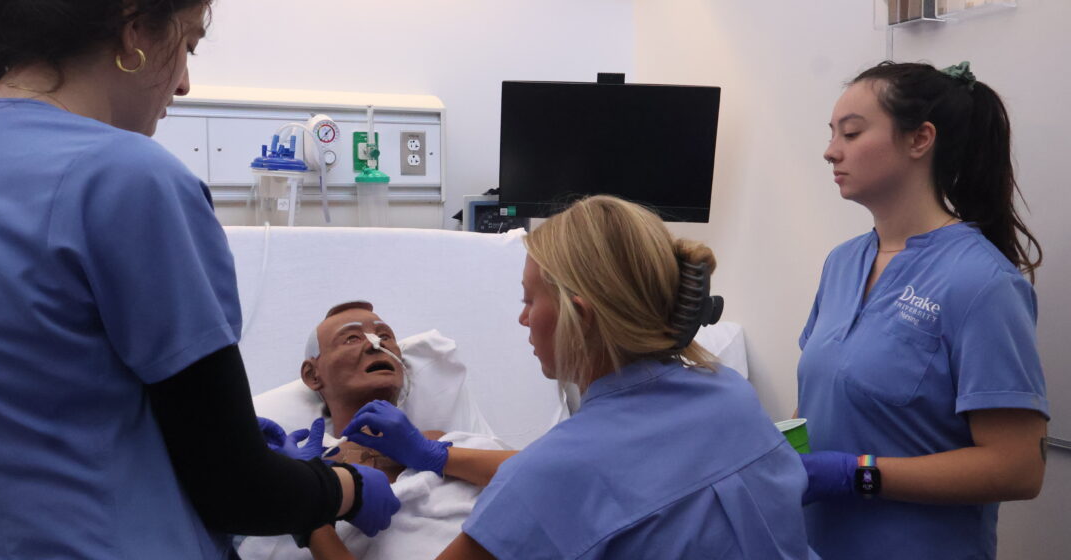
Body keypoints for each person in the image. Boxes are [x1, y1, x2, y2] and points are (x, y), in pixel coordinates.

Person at [0, 2, 397, 558]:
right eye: (187, 46)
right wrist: (348, 487)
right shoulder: (128, 177)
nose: (185, 84)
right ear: (134, 27)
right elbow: (236, 488)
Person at [349, 195, 812, 559]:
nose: (523, 319)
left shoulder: (551, 475)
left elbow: (561, 479)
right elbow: (601, 476)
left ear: (580, 317)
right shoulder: (729, 393)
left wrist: (309, 520)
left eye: (530, 300)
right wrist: (436, 455)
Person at [798, 60, 1048, 559]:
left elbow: (1018, 468)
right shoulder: (842, 263)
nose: (830, 151)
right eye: (832, 134)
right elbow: (818, 407)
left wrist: (859, 474)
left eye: (851, 132)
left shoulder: (981, 283)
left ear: (919, 140)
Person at [240, 301, 514, 560]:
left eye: (385, 335)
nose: (376, 344)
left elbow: (540, 478)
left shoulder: (452, 444)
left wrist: (435, 456)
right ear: (313, 375)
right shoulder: (300, 471)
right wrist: (305, 495)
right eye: (351, 338)